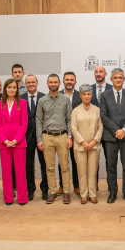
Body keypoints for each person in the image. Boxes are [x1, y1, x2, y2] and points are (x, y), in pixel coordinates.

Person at [101, 68, 125, 204]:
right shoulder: (104, 95)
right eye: (115, 78)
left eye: (120, 78)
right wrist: (117, 131)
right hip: (110, 137)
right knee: (111, 166)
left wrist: (124, 130)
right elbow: (103, 116)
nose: (118, 80)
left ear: (124, 79)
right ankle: (112, 192)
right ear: (111, 79)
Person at [36, 73, 73, 204]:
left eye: (55, 82)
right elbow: (39, 120)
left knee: (64, 166)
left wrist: (69, 136)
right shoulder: (42, 100)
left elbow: (69, 119)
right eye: (50, 82)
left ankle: (66, 191)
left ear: (59, 83)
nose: (53, 84)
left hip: (62, 136)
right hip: (47, 136)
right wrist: (39, 139)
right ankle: (52, 192)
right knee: (49, 167)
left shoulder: (65, 99)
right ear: (47, 84)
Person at [0, 78, 29, 206]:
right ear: (5, 89)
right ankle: (8, 198)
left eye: (14, 87)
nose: (12, 90)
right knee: (6, 172)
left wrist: (16, 140)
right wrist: (4, 140)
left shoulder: (23, 103)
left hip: (19, 142)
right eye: (9, 87)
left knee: (20, 171)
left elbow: (24, 124)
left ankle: (22, 198)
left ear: (17, 89)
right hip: (4, 143)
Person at [71, 84, 103, 204]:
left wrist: (94, 141)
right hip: (80, 146)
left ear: (92, 95)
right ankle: (84, 194)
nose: (86, 96)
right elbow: (74, 129)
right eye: (84, 94)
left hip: (94, 146)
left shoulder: (97, 110)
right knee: (82, 172)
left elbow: (100, 127)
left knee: (92, 172)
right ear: (80, 96)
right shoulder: (75, 111)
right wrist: (83, 142)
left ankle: (92, 194)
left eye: (88, 94)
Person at [22, 75, 48, 201]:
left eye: (33, 82)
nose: (31, 84)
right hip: (26, 136)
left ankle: (45, 190)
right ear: (25, 84)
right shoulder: (20, 98)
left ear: (37, 83)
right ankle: (30, 190)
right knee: (28, 165)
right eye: (28, 82)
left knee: (44, 164)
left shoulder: (45, 97)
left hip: (42, 135)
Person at [59, 71, 81, 195]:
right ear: (63, 81)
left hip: (77, 133)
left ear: (75, 82)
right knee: (62, 161)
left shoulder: (80, 95)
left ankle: (77, 186)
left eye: (71, 80)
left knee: (76, 160)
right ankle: (62, 185)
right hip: (61, 133)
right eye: (67, 80)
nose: (69, 82)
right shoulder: (58, 95)